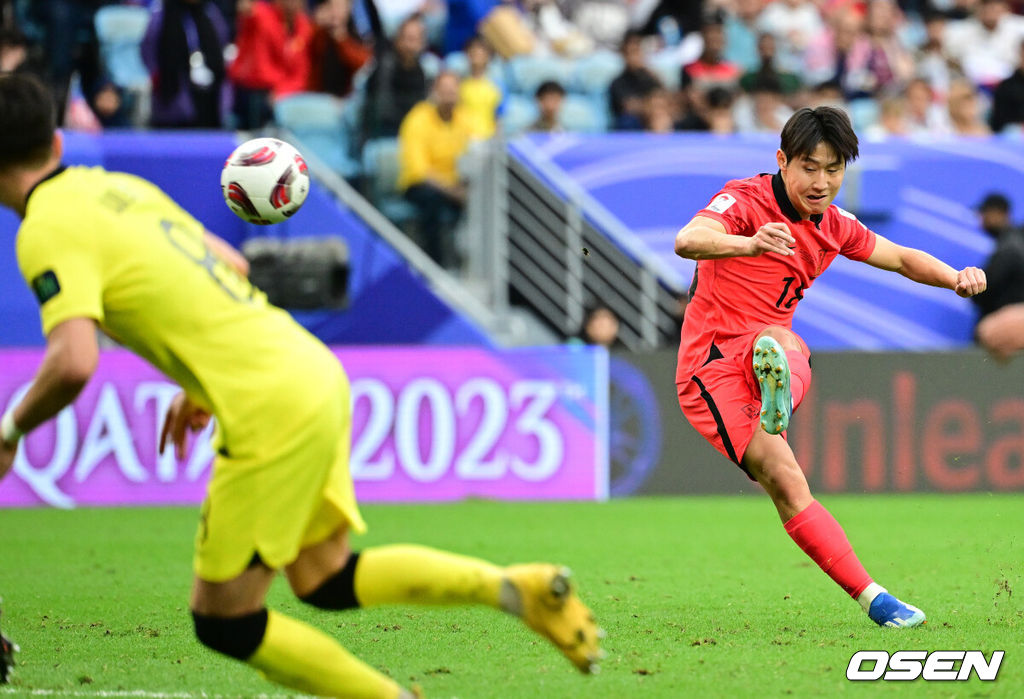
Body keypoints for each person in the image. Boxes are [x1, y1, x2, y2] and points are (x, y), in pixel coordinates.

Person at [0, 73, 601, 697]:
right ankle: (520, 588)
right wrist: (203, 381)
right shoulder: (116, 188)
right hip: (305, 366)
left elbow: (73, 362)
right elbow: (231, 264)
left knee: (224, 620)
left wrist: (11, 429)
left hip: (268, 403)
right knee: (324, 578)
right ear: (57, 142)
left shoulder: (45, 227)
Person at [673, 106, 986, 628]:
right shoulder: (745, 200)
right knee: (785, 478)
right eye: (809, 167)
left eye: (834, 168)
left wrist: (955, 276)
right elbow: (688, 240)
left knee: (781, 342)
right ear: (782, 161)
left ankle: (779, 400)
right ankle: (872, 596)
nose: (822, 181)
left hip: (767, 346)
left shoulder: (834, 226)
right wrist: (747, 243)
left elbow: (903, 258)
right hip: (711, 369)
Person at [398, 71, 473, 268]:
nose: (449, 94)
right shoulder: (417, 118)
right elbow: (419, 170)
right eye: (444, 90)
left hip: (457, 186)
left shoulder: (465, 118)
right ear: (434, 92)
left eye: (453, 90)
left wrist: (462, 189)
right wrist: (452, 191)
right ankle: (434, 266)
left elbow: (479, 149)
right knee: (433, 202)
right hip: (422, 185)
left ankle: (469, 264)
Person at [142, 0, 232, 129]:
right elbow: (148, 49)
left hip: (209, 94)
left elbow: (223, 42)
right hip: (174, 92)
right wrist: (158, 77)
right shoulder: (162, 13)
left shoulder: (211, 12)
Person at [228, 0, 314, 130]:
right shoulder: (261, 14)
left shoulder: (304, 26)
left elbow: (301, 72)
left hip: (281, 96)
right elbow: (249, 12)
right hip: (252, 92)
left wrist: (282, 91)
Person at [972, 193, 1024, 362]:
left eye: (984, 213)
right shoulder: (1013, 242)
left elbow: (982, 290)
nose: (981, 219)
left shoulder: (1009, 248)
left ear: (999, 213)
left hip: (1008, 336)